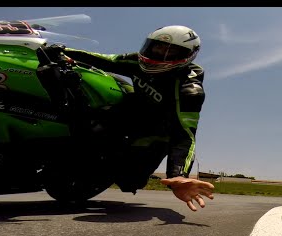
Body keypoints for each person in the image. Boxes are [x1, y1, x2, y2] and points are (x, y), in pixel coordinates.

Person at [45, 25, 214, 211]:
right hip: (133, 109)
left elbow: (185, 134)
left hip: (157, 131)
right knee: (90, 113)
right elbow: (107, 60)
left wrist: (178, 175)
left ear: (188, 56)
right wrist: (63, 51)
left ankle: (112, 170)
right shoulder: (136, 60)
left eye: (170, 51)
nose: (159, 54)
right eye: (156, 47)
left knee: (130, 179)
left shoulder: (189, 90)